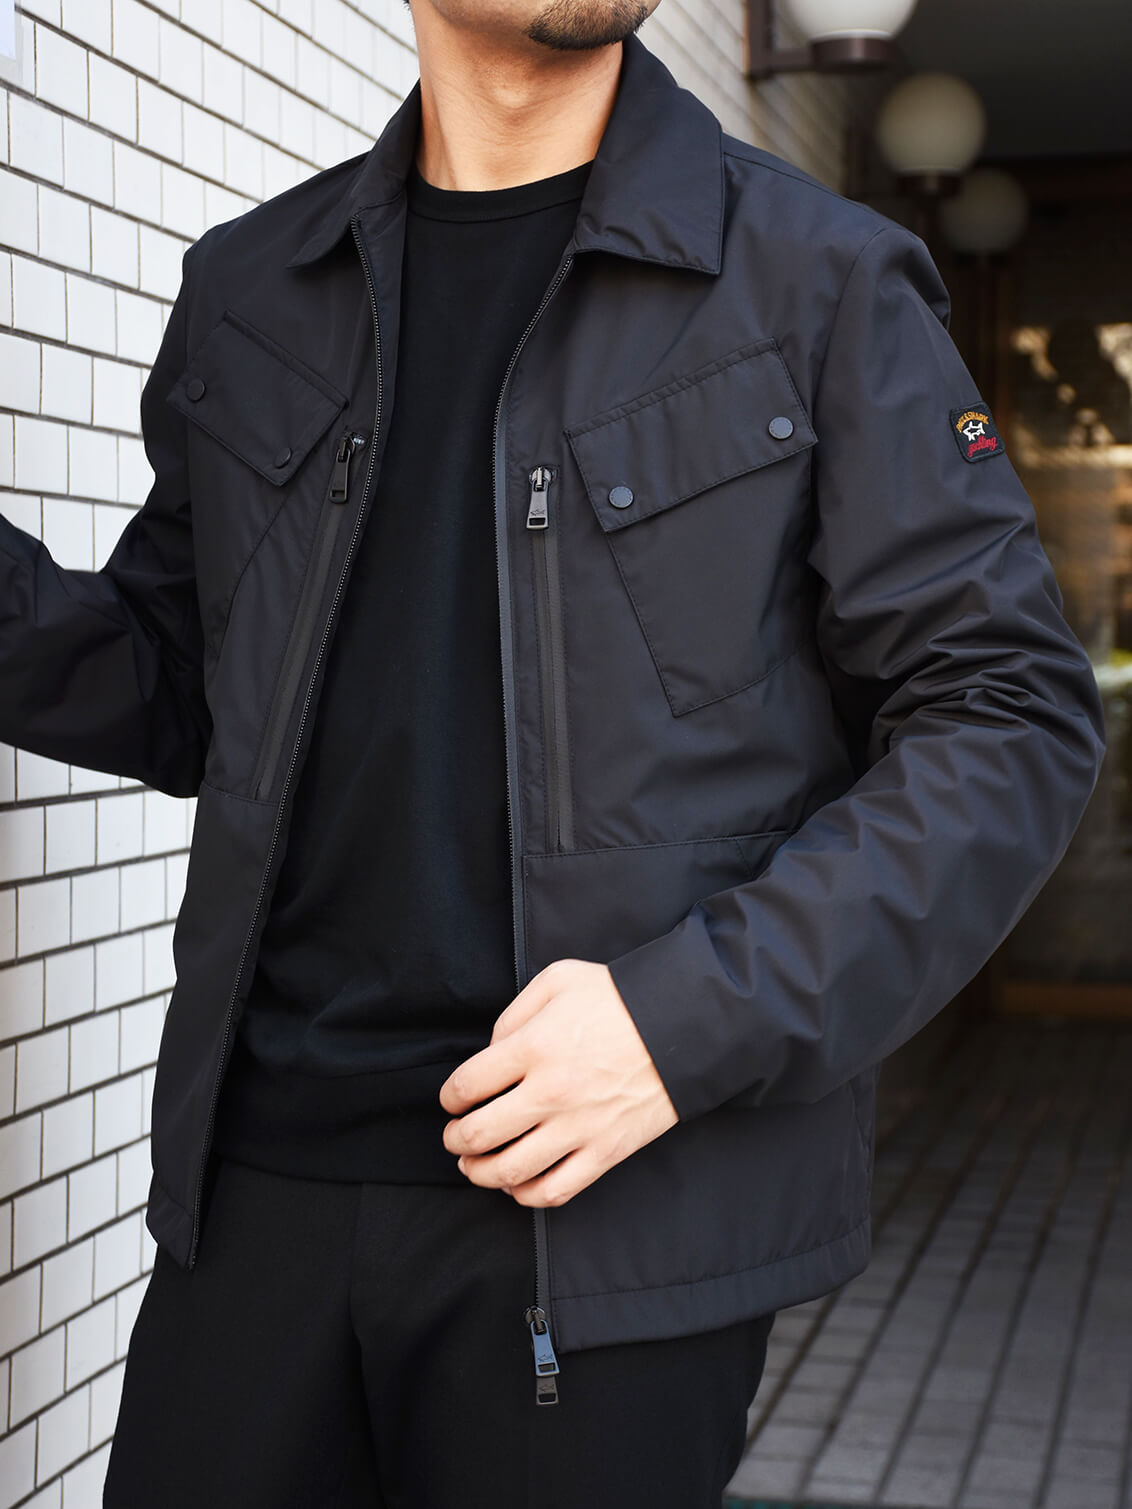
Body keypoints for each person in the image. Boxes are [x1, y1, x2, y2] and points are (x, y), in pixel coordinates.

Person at [0, 2, 1105, 1505]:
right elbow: (183, 683)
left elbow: (1009, 714)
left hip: (602, 1224)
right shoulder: (256, 288)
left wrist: (683, 1022)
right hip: (257, 1194)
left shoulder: (818, 281)